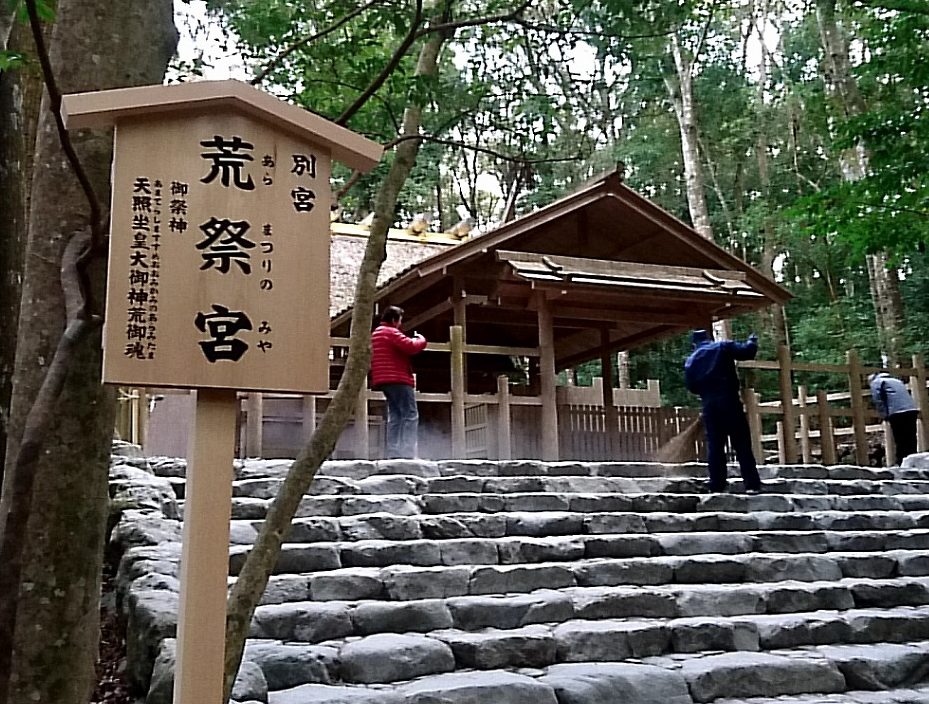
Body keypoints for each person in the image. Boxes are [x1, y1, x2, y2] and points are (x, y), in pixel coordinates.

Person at [684, 329, 763, 494]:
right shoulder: (722, 347)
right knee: (741, 443)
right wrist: (752, 341)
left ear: (694, 344)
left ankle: (717, 485)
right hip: (729, 400)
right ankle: (751, 484)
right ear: (709, 338)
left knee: (715, 446)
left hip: (709, 406)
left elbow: (692, 387)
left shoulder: (691, 362)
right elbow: (746, 352)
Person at [370, 306, 427, 459]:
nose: (400, 324)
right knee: (410, 414)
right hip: (398, 378)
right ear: (394, 320)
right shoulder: (391, 332)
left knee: (395, 415)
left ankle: (393, 451)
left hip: (382, 379)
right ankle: (408, 451)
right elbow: (411, 346)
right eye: (400, 320)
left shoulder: (376, 334)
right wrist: (421, 339)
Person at [869, 372, 918, 465]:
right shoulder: (897, 381)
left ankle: (901, 462)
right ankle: (912, 460)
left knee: (900, 438)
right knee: (911, 437)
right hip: (911, 410)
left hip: (897, 412)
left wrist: (884, 415)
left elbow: (878, 400)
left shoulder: (877, 382)